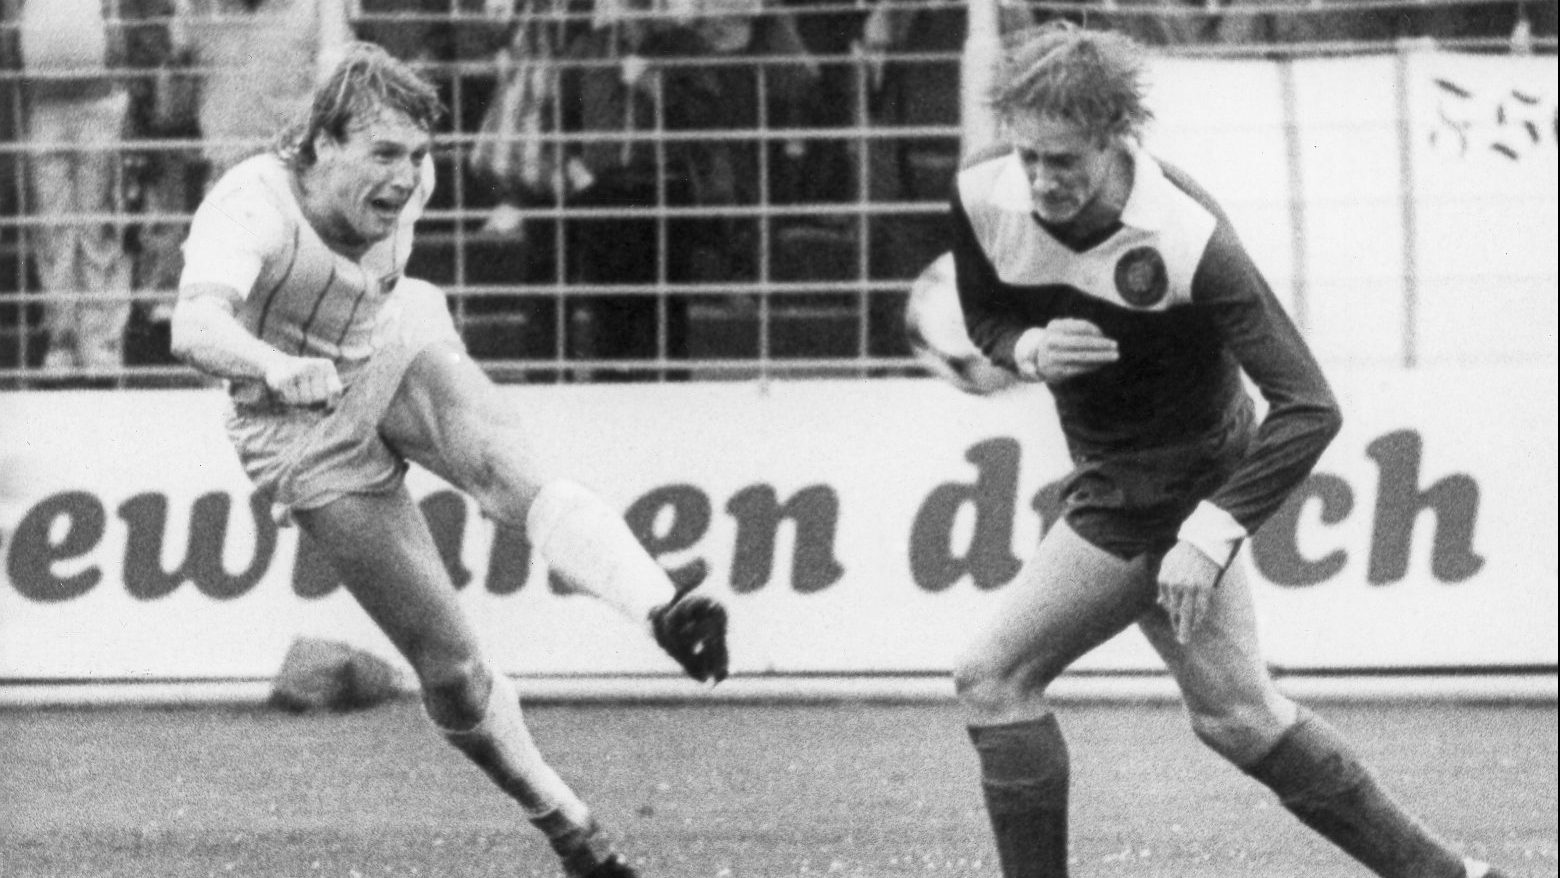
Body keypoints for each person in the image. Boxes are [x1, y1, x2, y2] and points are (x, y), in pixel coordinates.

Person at [946, 23, 1510, 878]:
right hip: (1119, 472)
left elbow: (1308, 407)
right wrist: (1028, 352)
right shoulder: (986, 192)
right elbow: (987, 315)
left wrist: (1208, 535)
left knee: (992, 677)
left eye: (1063, 160)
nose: (1041, 179)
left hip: (1168, 484)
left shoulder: (1186, 235)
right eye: (1028, 156)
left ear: (1114, 137)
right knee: (1239, 715)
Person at [168, 42, 730, 878]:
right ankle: (569, 825)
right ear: (321, 144)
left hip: (389, 344)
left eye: (418, 155)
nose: (404, 178)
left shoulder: (413, 186)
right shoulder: (250, 205)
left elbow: (389, 271)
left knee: (508, 475)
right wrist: (274, 365)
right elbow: (192, 327)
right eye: (383, 153)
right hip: (295, 426)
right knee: (456, 675)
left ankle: (662, 607)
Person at [13, 0, 134, 374]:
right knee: (53, 226)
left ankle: (98, 340)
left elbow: (118, 26)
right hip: (43, 103)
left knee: (96, 222)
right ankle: (61, 337)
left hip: (98, 100)